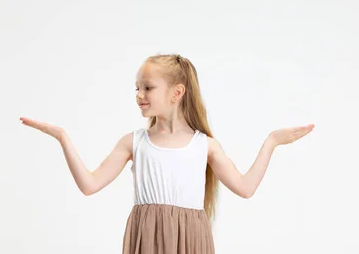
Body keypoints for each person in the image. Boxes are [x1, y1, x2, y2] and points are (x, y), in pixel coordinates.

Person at [19, 53, 314, 254]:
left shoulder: (205, 145)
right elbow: (89, 185)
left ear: (177, 92)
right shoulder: (133, 142)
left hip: (191, 239)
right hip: (146, 237)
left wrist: (272, 142)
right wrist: (62, 138)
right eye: (137, 88)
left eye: (148, 87)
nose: (139, 95)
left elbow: (245, 188)